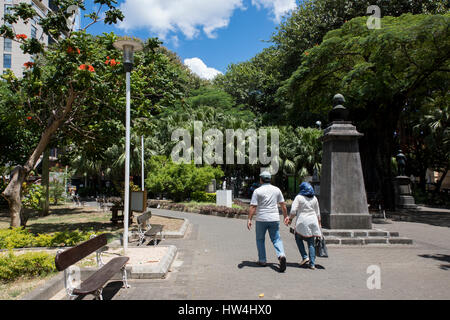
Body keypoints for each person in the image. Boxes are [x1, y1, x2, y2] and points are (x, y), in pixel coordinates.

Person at [247, 171, 289, 272]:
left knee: (260, 239)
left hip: (261, 219)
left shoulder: (257, 191)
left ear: (261, 180)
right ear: (270, 179)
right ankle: (281, 255)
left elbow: (253, 206)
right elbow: (283, 205)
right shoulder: (277, 190)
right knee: (276, 239)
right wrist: (285, 217)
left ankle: (262, 260)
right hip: (274, 218)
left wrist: (249, 219)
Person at [287, 182, 322, 270]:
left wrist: (290, 219)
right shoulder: (314, 198)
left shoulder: (299, 197)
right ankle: (312, 264)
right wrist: (319, 223)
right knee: (311, 242)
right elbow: (318, 213)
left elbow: (293, 211)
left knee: (298, 237)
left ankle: (304, 256)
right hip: (313, 221)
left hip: (302, 222)